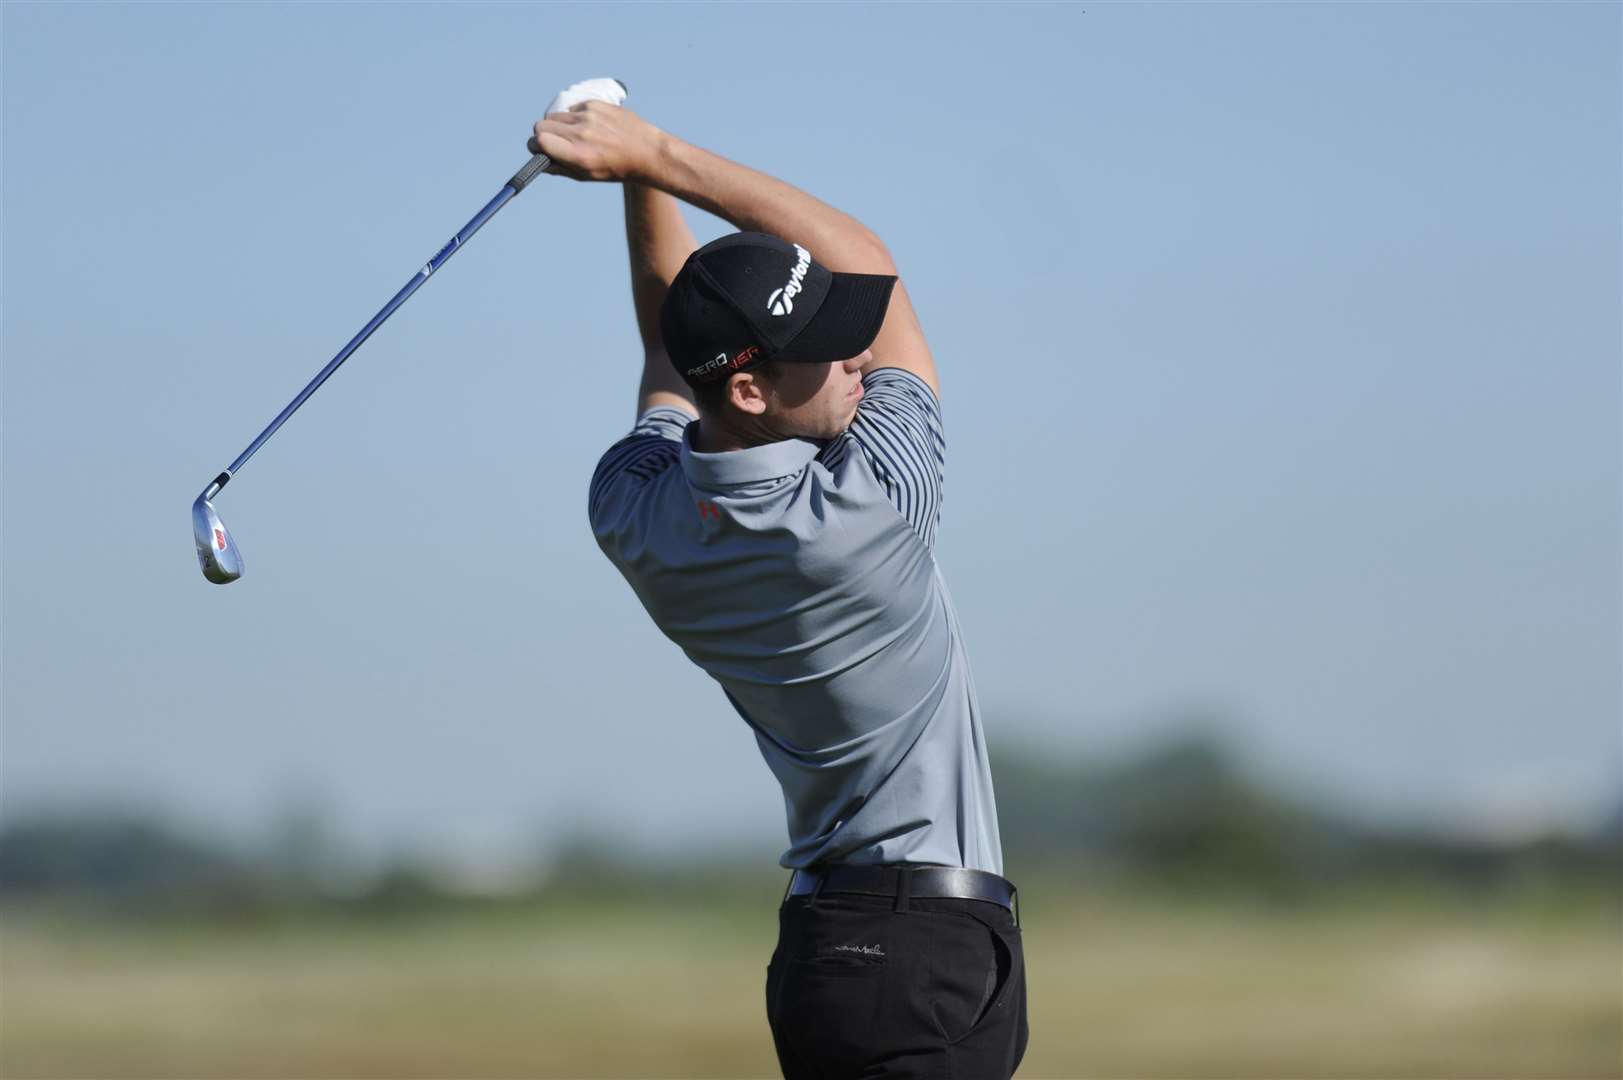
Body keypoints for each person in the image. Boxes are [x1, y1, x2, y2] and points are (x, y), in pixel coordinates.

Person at [532, 84, 1028, 1080]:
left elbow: (670, 360)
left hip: (837, 954)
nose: (855, 358)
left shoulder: (634, 513)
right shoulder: (871, 504)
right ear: (754, 388)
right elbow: (866, 263)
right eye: (824, 350)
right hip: (916, 951)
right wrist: (657, 154)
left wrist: (630, 173)